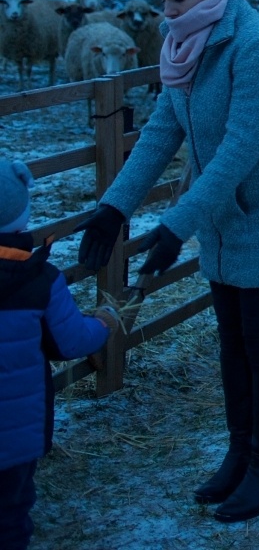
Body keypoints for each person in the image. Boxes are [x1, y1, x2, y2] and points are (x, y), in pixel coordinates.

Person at [77, 0, 259, 522]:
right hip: (221, 219)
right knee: (232, 343)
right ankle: (240, 454)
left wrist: (174, 226)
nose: (166, 11)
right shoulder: (185, 46)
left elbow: (239, 148)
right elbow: (164, 131)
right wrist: (114, 206)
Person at [2, 161, 119, 548]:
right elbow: (70, 341)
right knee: (10, 514)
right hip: (13, 435)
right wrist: (103, 323)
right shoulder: (38, 279)